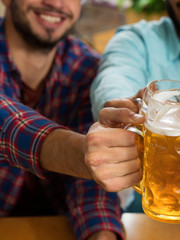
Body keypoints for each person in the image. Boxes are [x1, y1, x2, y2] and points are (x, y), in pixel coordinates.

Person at [0, 0, 143, 239]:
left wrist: (102, 235)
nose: (56, 3)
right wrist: (83, 152)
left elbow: (89, 188)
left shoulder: (86, 67)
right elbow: (6, 124)